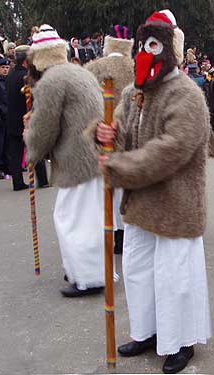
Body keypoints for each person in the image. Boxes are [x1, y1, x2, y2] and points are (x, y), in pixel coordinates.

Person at [96, 11, 212, 374]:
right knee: (138, 269)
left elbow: (171, 149)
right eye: (142, 46)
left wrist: (120, 168)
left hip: (176, 205)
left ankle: (181, 341)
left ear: (168, 50)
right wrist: (104, 135)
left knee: (174, 275)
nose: (146, 54)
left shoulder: (187, 94)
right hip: (141, 202)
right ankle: (147, 331)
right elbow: (124, 133)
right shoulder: (133, 92)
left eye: (153, 46)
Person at [24, 24, 118, 297]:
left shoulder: (50, 81)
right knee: (91, 218)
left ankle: (88, 277)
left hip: (76, 160)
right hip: (95, 154)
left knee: (73, 220)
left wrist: (30, 143)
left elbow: (45, 129)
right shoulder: (79, 72)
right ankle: (89, 270)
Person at [86, 24, 135, 254]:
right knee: (126, 182)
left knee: (107, 185)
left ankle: (111, 232)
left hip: (103, 131)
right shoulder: (135, 67)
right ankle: (127, 233)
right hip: (130, 133)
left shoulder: (94, 68)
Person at [6, 45, 31, 191]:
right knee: (33, 146)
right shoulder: (25, 76)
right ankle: (42, 178)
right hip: (24, 117)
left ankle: (17, 181)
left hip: (12, 117)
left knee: (15, 152)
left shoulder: (10, 74)